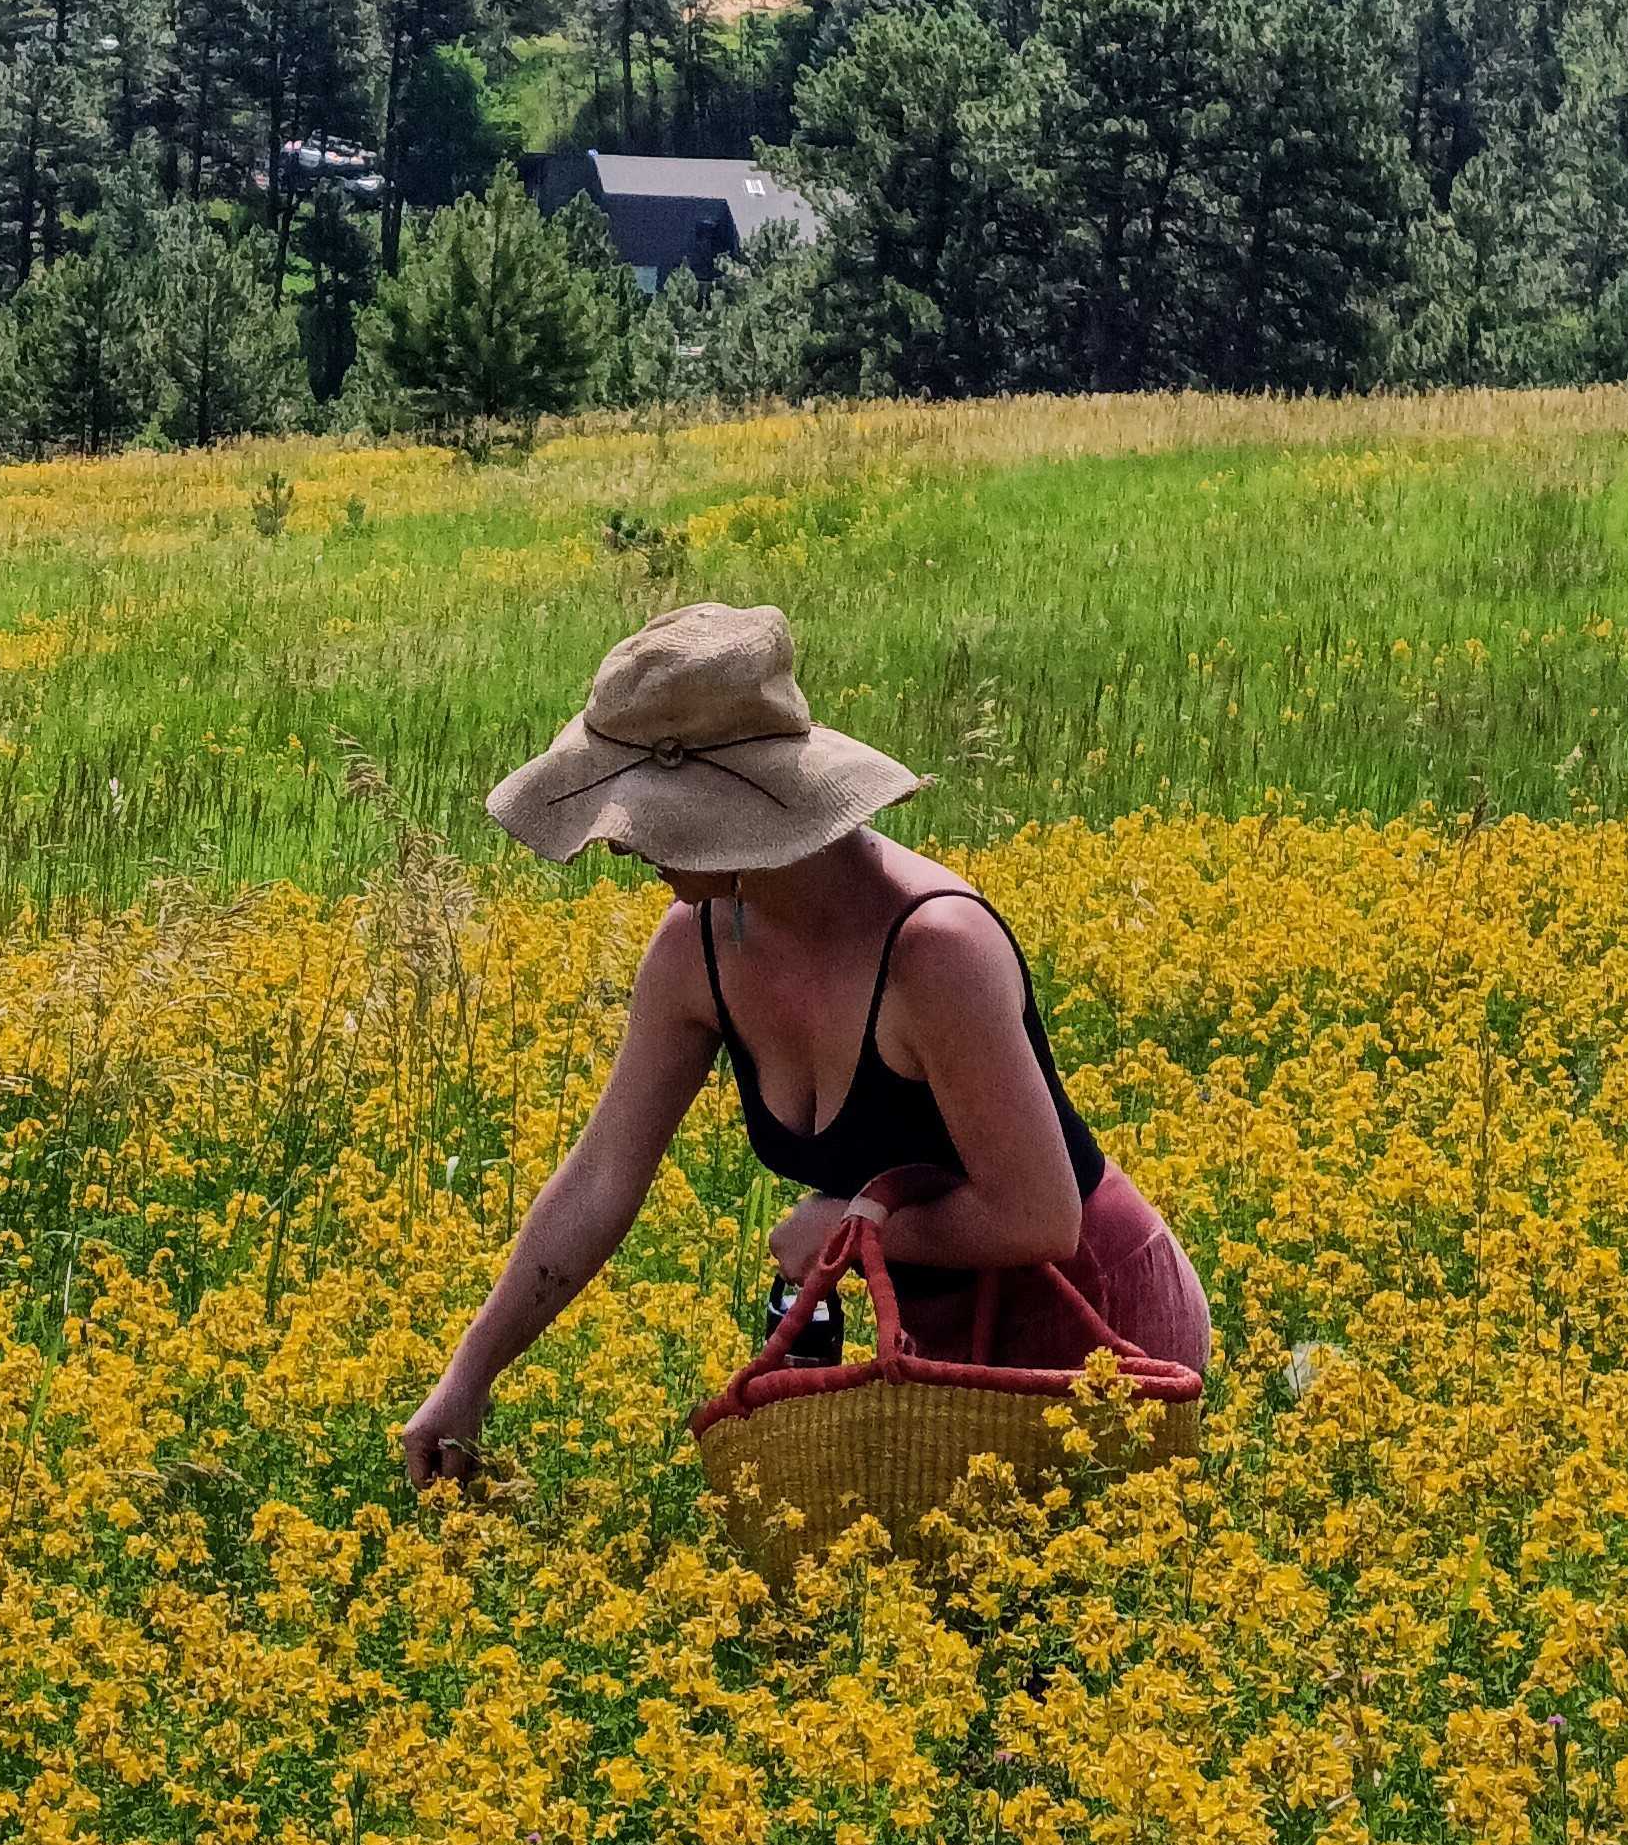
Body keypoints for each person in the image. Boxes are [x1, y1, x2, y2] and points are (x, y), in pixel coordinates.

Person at [399, 600, 1209, 1492]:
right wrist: (469, 1377)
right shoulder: (693, 951)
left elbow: (1038, 1219)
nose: (620, 842)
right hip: (940, 1344)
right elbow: (600, 1179)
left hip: (1098, 1327)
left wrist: (845, 1224)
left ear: (723, 811)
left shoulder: (933, 951)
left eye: (641, 813)